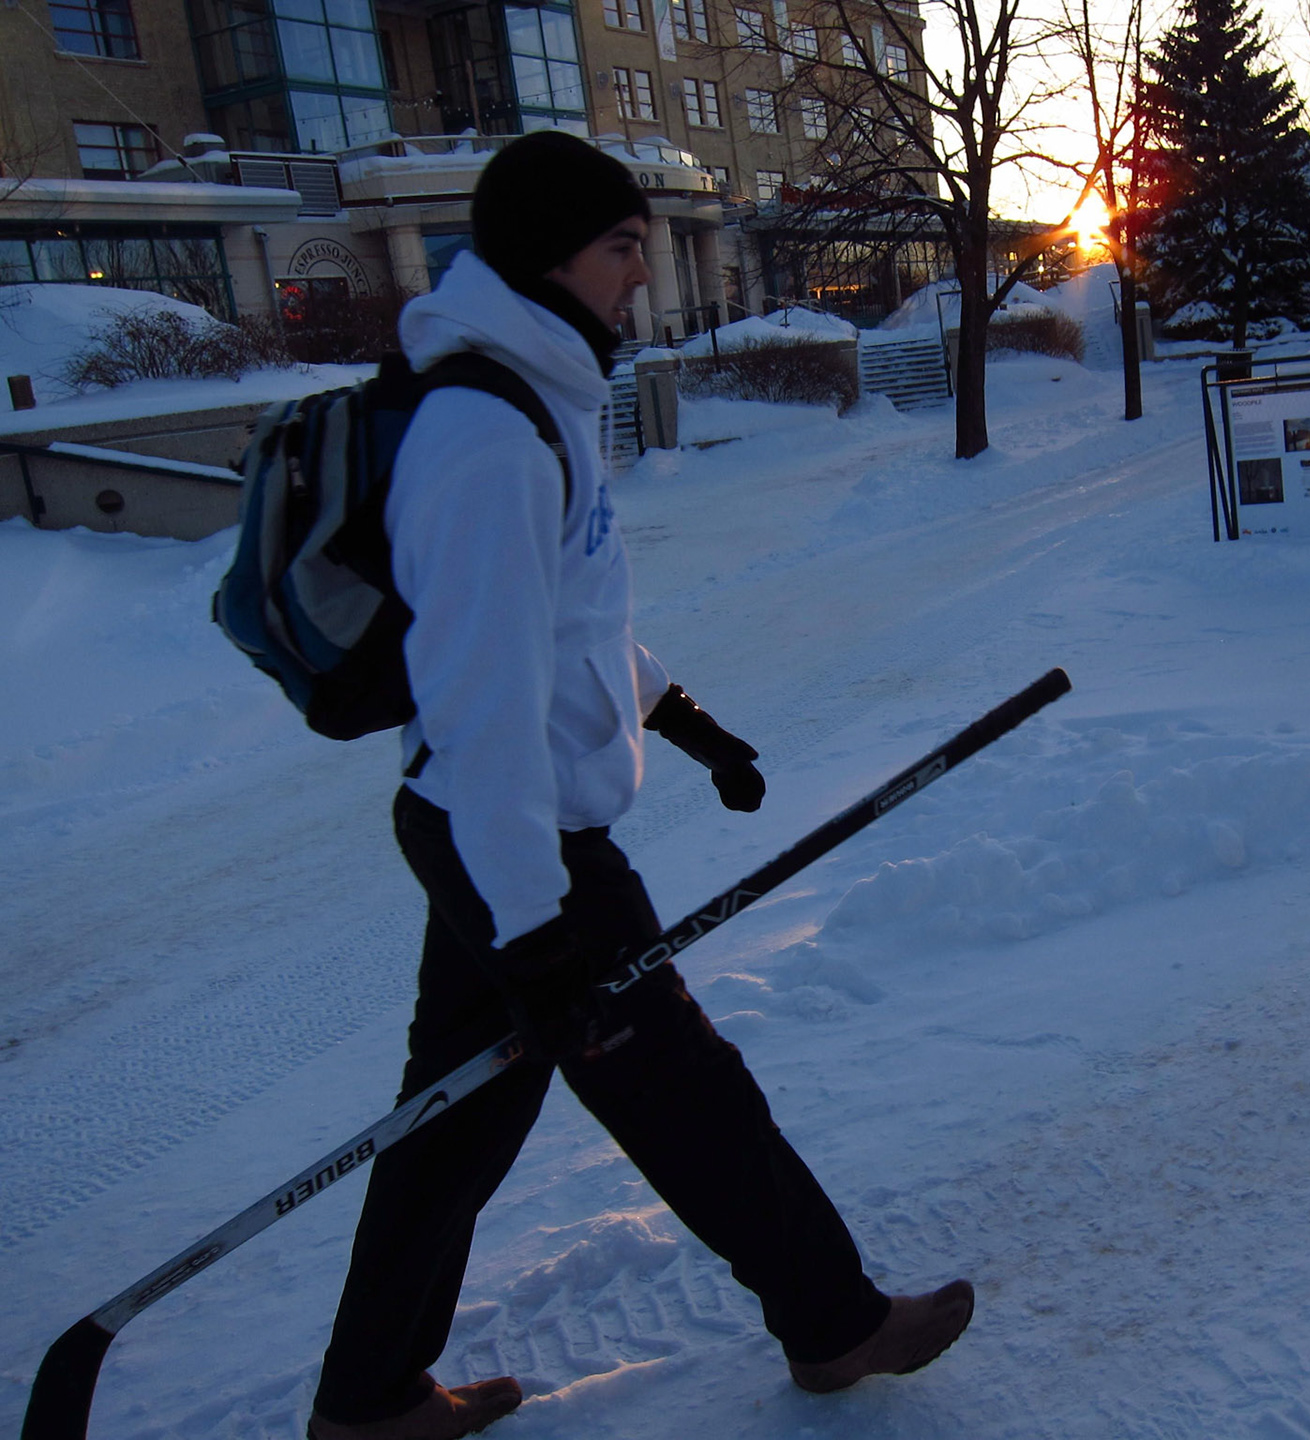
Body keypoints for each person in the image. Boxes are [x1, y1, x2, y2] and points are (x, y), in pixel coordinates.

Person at [307, 130, 973, 1440]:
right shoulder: (486, 433)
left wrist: (683, 720)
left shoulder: (534, 398)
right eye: (624, 250)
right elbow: (480, 706)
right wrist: (537, 925)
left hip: (494, 833)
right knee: (689, 1094)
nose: (642, 281)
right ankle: (835, 1323)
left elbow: (569, 624)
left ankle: (368, 1398)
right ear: (552, 255)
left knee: (453, 1127)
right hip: (522, 845)